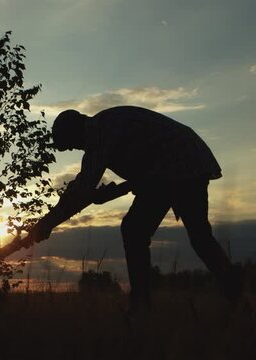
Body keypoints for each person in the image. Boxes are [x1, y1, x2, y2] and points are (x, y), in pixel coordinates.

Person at [25, 106, 240, 312]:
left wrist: (46, 224)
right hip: (190, 158)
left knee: (134, 230)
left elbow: (82, 189)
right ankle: (238, 299)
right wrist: (108, 195)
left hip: (179, 161)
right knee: (200, 238)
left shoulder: (100, 132)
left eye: (71, 144)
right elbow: (142, 175)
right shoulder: (106, 128)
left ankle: (141, 306)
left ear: (75, 131)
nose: (75, 149)